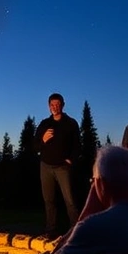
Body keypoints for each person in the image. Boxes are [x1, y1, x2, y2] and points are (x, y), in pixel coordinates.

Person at [33, 93, 81, 236]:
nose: (55, 107)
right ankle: (50, 230)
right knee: (49, 200)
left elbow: (77, 145)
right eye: (52, 105)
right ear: (49, 107)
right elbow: (35, 146)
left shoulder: (70, 123)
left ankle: (75, 231)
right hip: (46, 166)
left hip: (62, 167)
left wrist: (70, 160)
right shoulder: (44, 124)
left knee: (70, 200)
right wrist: (43, 140)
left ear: (62, 105)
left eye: (58, 104)